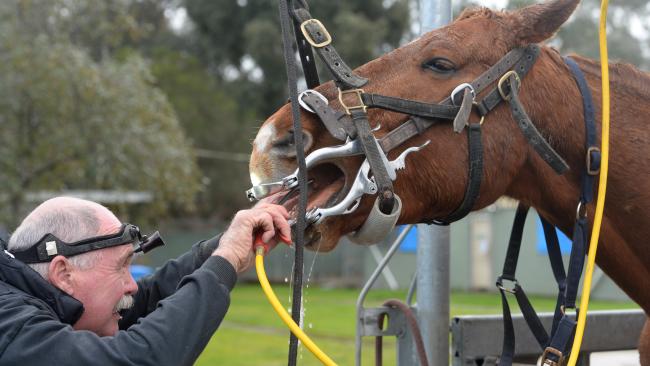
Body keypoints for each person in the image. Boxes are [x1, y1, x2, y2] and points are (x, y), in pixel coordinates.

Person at [0, 196, 290, 365]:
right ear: (63, 274)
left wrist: (225, 245)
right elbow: (133, 359)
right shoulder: (9, 324)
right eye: (121, 267)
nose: (132, 284)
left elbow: (144, 301)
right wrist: (226, 260)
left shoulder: (29, 295)